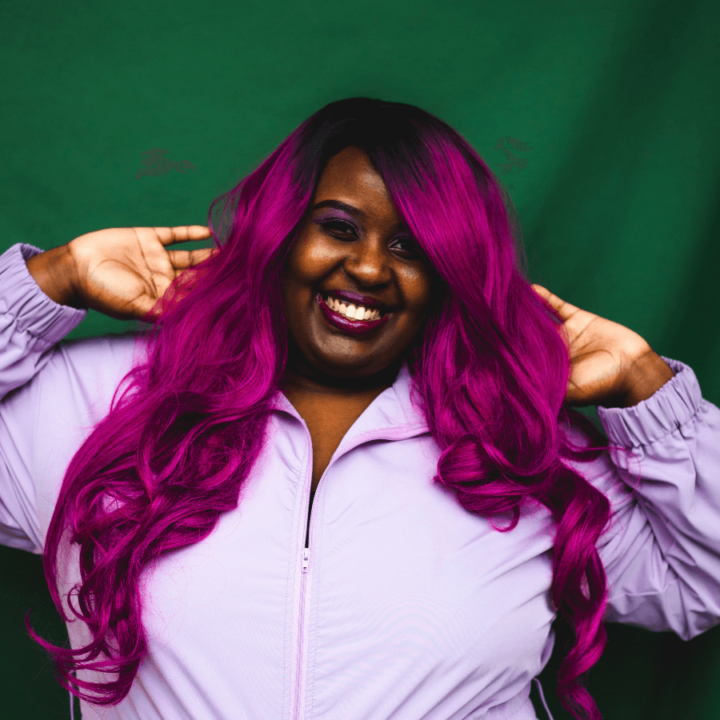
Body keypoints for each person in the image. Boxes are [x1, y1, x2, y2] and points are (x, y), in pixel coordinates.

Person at [0, 97, 718, 720]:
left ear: (448, 275)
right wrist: (47, 282)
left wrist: (646, 391)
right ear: (279, 235)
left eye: (410, 246)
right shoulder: (94, 404)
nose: (371, 267)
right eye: (339, 226)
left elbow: (701, 580)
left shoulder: (518, 447)